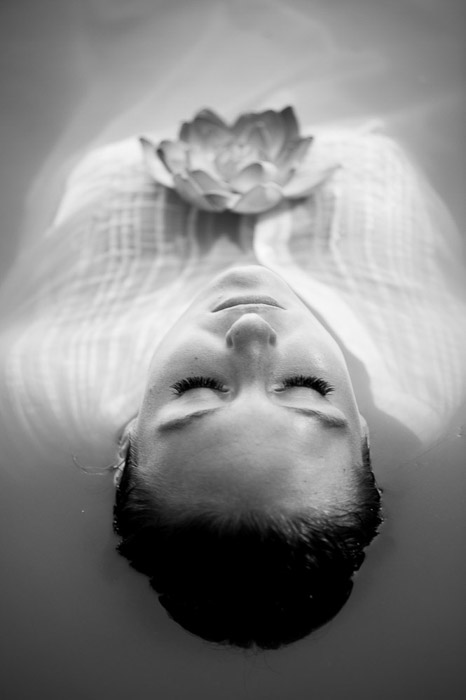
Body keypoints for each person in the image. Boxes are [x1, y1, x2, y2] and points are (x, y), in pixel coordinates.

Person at [1, 101, 464, 648]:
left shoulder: (41, 373)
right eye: (307, 386)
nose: (251, 330)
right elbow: (374, 155)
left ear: (128, 445)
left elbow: (104, 163)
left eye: (196, 389)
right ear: (365, 438)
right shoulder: (434, 366)